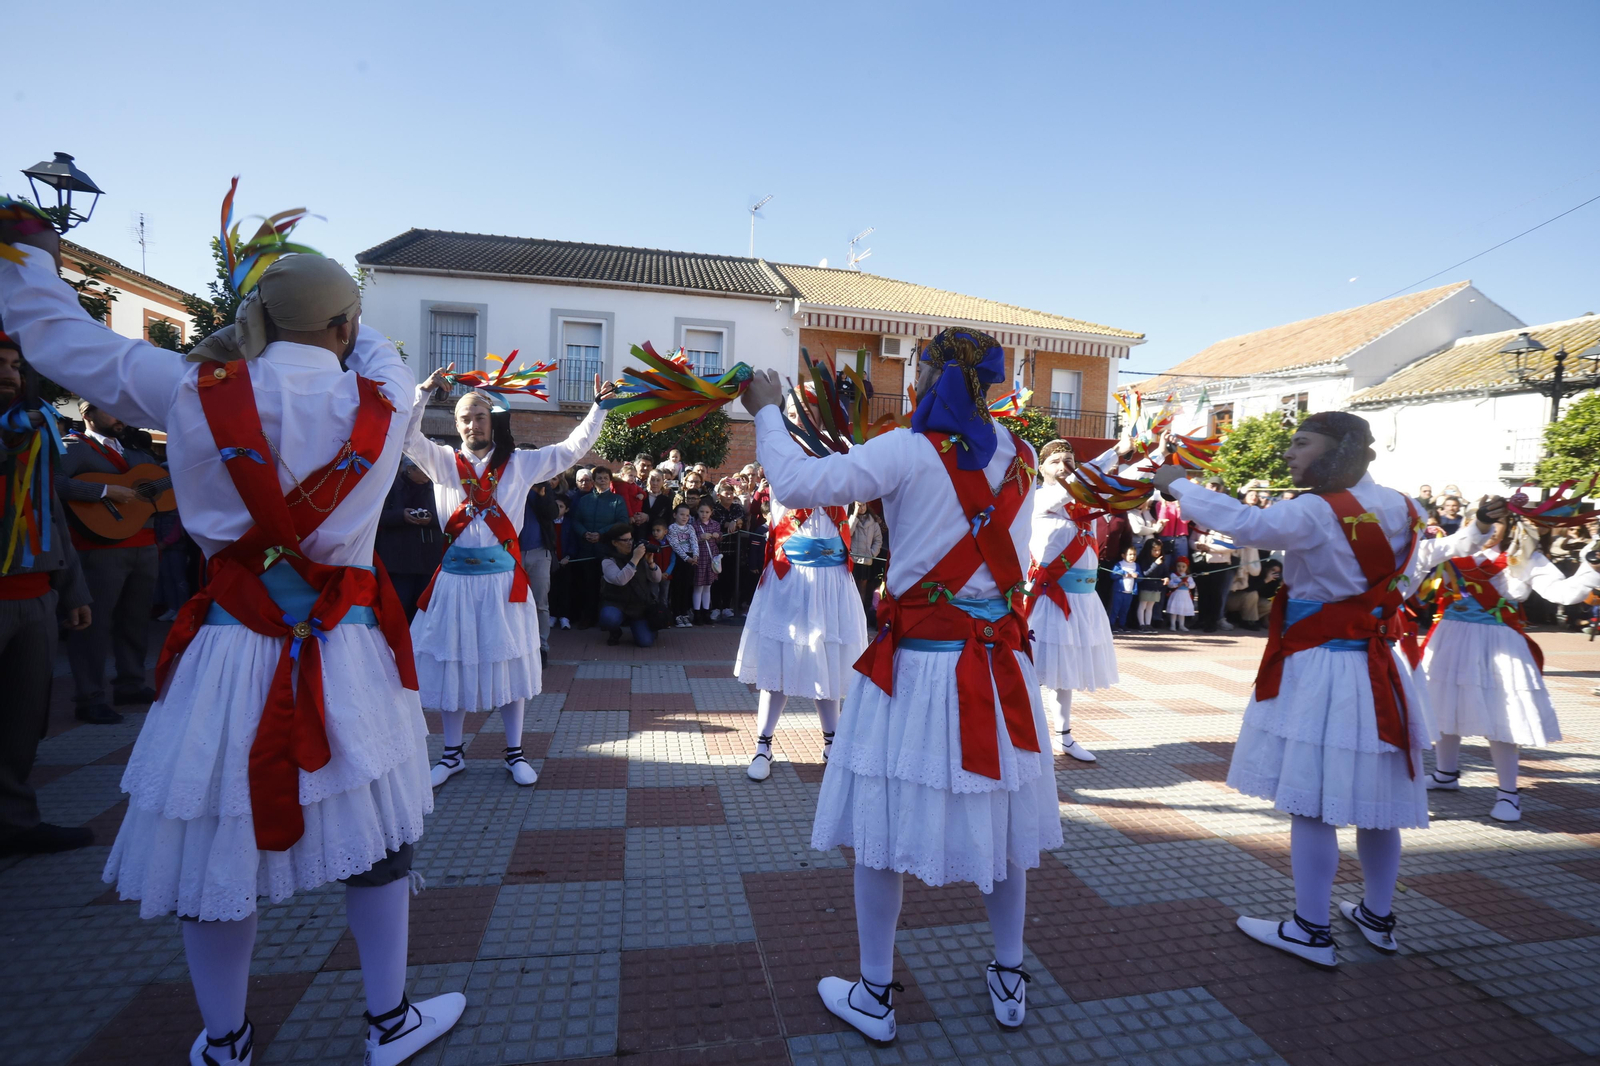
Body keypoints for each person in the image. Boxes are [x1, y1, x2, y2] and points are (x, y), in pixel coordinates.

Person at [0, 231, 465, 1064]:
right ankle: (388, 1023)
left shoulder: (186, 387)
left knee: (218, 839)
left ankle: (226, 1042)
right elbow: (382, 348)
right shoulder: (386, 398)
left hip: (228, 648)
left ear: (255, 317)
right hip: (345, 650)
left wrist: (28, 259)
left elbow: (58, 339)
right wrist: (335, 325)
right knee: (382, 840)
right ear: (343, 325)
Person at [743, 327, 1057, 1040]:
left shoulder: (908, 449)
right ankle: (1009, 980)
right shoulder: (1025, 456)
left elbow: (795, 484)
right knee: (1004, 826)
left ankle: (875, 995)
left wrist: (767, 409)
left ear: (929, 376)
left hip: (919, 670)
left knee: (880, 832)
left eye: (916, 369)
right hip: (1000, 666)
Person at [1152, 411, 1436, 970]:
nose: (1289, 454)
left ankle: (1310, 929)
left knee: (1313, 806)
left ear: (1337, 450)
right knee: (1379, 807)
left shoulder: (1315, 510)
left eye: (1302, 444)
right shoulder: (1408, 506)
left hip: (1322, 667)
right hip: (1378, 666)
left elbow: (1244, 524)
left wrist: (1177, 484)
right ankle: (1378, 919)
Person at [406, 366, 611, 791]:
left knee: (509, 663)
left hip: (503, 583)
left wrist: (598, 409)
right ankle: (451, 754)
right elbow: (406, 438)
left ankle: (515, 753)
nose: (471, 424)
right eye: (464, 417)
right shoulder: (443, 462)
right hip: (455, 582)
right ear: (456, 424)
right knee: (451, 661)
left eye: (479, 416)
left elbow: (572, 449)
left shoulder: (519, 465)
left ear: (493, 420)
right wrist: (423, 393)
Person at [1420, 498, 1600, 821]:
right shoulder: (1450, 548)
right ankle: (1445, 773)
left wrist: (1591, 568)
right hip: (1450, 637)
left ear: (1509, 526)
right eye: (1480, 518)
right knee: (1444, 708)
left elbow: (1563, 595)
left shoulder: (1525, 558)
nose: (1490, 527)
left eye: (1498, 521)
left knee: (1503, 716)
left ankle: (1508, 793)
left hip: (1499, 642)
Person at [0, 331, 94, 857]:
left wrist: (71, 587)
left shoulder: (32, 438)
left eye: (15, 364)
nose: (9, 373)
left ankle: (14, 820)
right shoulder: (22, 435)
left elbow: (50, 514)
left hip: (34, 595)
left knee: (22, 718)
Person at [734, 465, 868, 781]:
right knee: (776, 664)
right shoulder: (786, 461)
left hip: (833, 580)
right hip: (790, 576)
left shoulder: (842, 458)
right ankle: (763, 745)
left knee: (828, 661)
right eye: (795, 412)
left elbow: (857, 483)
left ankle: (831, 744)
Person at [53, 398, 162, 723]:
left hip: (144, 547)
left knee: (135, 620)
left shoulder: (136, 451)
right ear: (88, 414)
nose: (121, 416)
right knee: (93, 625)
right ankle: (90, 697)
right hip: (98, 550)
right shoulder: (73, 448)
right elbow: (52, 483)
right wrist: (103, 492)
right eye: (111, 409)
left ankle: (130, 683)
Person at [1024, 438, 1125, 762]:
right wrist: (1114, 452)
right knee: (1029, 671)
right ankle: (1020, 732)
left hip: (1082, 601)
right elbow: (1079, 484)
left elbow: (1118, 484)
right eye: (1056, 461)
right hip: (1046, 600)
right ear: (1041, 469)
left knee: (1063, 672)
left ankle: (1064, 737)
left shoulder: (1083, 503)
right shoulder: (1039, 499)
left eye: (1069, 460)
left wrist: (1160, 453)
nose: (1064, 465)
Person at [376, 458, 444, 622]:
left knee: (425, 610)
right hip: (399, 561)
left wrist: (432, 518)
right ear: (409, 470)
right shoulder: (390, 487)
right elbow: (376, 516)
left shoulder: (438, 488)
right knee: (399, 607)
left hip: (429, 560)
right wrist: (401, 516)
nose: (428, 474)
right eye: (423, 469)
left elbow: (450, 515)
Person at [569, 465, 629, 628]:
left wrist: (601, 534)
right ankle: (588, 617)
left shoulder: (617, 500)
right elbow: (576, 521)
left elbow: (623, 521)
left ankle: (609, 618)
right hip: (586, 548)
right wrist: (584, 533)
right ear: (593, 481)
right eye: (599, 478)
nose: (602, 481)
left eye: (605, 478)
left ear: (610, 480)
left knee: (609, 585)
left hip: (607, 549)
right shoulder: (585, 500)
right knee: (588, 584)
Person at [599, 522, 661, 647]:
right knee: (608, 618)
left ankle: (646, 628)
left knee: (646, 642)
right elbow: (621, 580)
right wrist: (635, 559)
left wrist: (651, 563)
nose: (630, 543)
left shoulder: (638, 554)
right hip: (617, 603)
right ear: (614, 542)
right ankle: (615, 632)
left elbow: (657, 579)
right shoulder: (608, 561)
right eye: (625, 540)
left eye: (631, 539)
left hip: (639, 605)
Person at [521, 477, 560, 665]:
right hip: (511, 552)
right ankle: (518, 647)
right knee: (512, 602)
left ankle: (541, 647)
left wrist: (542, 495)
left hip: (539, 551)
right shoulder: (509, 483)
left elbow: (553, 513)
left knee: (540, 602)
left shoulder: (542, 486)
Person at [848, 500, 885, 626]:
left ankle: (860, 618)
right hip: (853, 559)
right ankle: (849, 615)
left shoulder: (873, 523)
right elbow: (847, 533)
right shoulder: (852, 519)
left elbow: (878, 540)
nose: (861, 508)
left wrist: (872, 553)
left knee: (862, 590)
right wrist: (854, 515)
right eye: (859, 505)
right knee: (850, 588)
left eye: (863, 505)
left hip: (865, 560)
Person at [666, 503, 699, 626]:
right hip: (679, 559)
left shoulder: (690, 528)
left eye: (687, 515)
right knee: (677, 587)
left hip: (690, 559)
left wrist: (695, 555)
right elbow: (675, 545)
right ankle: (677, 614)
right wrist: (686, 558)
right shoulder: (672, 528)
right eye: (681, 514)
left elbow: (694, 541)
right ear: (675, 515)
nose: (684, 517)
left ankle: (684, 613)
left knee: (687, 587)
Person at [690, 500, 722, 624]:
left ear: (711, 513)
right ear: (697, 512)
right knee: (698, 586)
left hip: (711, 558)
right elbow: (690, 542)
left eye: (707, 512)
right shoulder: (694, 526)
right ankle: (697, 613)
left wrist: (717, 535)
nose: (704, 514)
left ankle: (706, 612)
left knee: (708, 586)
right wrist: (700, 538)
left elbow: (720, 538)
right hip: (699, 558)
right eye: (702, 511)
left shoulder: (715, 524)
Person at [1227, 558, 1281, 630]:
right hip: (1234, 599)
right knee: (1252, 594)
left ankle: (1242, 619)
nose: (1274, 573)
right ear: (1266, 568)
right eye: (1273, 570)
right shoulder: (1255, 573)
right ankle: (1248, 621)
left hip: (1249, 604)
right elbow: (1249, 588)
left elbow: (1267, 596)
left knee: (1270, 604)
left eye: (1277, 572)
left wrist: (1278, 584)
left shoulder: (1273, 581)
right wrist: (1265, 580)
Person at [549, 493, 576, 630]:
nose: (557, 509)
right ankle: (552, 615)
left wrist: (568, 556)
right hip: (550, 562)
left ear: (566, 510)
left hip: (565, 562)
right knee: (551, 588)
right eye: (555, 506)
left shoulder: (569, 524)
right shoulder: (547, 523)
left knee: (565, 589)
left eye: (561, 506)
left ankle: (565, 617)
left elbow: (573, 542)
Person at [1134, 537, 1169, 629]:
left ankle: (1148, 624)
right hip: (1146, 586)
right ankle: (1141, 624)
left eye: (1159, 550)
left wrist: (1166, 578)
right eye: (1154, 550)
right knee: (1142, 606)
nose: (1157, 552)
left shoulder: (1162, 561)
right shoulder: (1144, 560)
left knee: (1150, 607)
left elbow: (1165, 572)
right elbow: (1145, 573)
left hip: (1156, 587)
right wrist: (1155, 564)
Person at [1109, 546, 1139, 630]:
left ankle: (1122, 624)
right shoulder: (1119, 564)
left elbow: (1140, 578)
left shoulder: (1136, 565)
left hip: (1129, 592)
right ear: (1123, 555)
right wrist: (1123, 573)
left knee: (1125, 610)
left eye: (1134, 554)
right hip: (1118, 591)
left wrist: (1137, 575)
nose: (1132, 556)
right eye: (1130, 554)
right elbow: (1113, 575)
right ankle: (1111, 624)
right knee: (1115, 608)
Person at [1165, 558, 1196, 631]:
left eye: (1183, 566)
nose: (1181, 568)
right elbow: (1169, 584)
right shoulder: (1173, 575)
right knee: (1174, 611)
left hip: (1185, 596)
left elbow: (1193, 585)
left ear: (1187, 567)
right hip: (1176, 595)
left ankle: (1181, 625)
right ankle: (1173, 625)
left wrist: (1188, 584)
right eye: (1178, 566)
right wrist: (1177, 585)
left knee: (1182, 612)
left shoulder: (1188, 576)